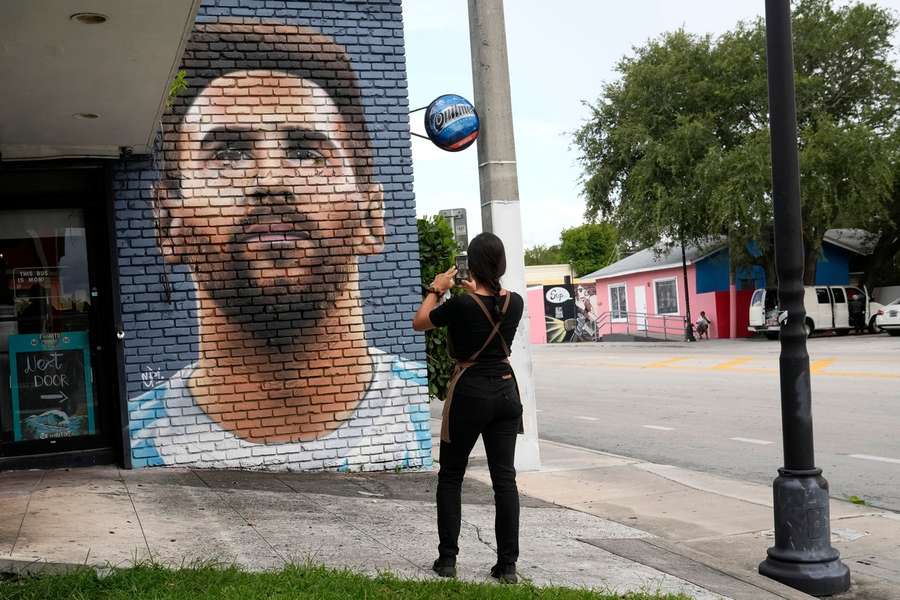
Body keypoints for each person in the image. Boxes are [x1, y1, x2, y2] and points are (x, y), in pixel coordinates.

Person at [129, 21, 430, 470]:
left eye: (306, 151)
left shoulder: (420, 423)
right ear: (168, 220)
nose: (270, 182)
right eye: (228, 152)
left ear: (371, 214)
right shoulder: (135, 439)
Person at [412, 232, 525, 584]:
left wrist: (436, 289)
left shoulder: (460, 305)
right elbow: (487, 308)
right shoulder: (516, 302)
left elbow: (421, 322)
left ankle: (447, 560)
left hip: (470, 392)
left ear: (472, 265)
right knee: (504, 480)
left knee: (451, 476)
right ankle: (507, 566)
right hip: (506, 390)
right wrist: (469, 291)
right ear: (501, 264)